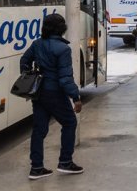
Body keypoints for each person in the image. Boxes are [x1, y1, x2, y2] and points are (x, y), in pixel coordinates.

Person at [21, 13, 83, 179]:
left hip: (38, 92)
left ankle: (36, 168)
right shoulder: (63, 49)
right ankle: (65, 162)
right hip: (55, 93)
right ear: (62, 29)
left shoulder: (37, 44)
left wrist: (31, 76)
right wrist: (75, 97)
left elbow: (24, 61)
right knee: (70, 122)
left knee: (39, 130)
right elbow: (65, 78)